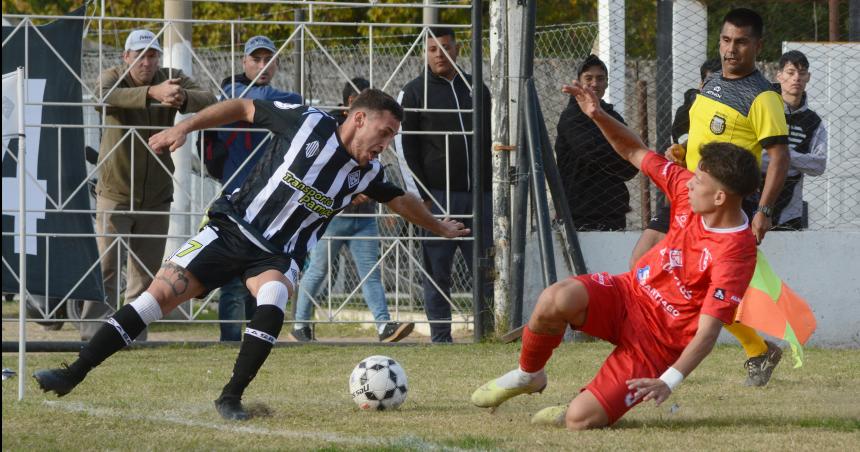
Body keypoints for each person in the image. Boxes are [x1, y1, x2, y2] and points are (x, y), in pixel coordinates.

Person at [33, 89, 469, 422]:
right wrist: (184, 128)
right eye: (385, 133)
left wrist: (439, 226)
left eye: (393, 137)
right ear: (359, 118)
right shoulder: (306, 123)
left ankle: (231, 397)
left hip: (277, 255)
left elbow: (399, 198)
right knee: (153, 300)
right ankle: (73, 373)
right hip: (230, 229)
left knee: (274, 298)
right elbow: (243, 107)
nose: (387, 144)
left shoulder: (366, 172)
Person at [471, 79, 759, 430]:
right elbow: (633, 152)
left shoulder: (736, 254)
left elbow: (709, 331)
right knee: (555, 297)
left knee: (579, 422)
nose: (689, 183)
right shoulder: (687, 191)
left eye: (700, 182)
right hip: (627, 295)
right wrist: (597, 115)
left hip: (657, 343)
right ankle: (528, 374)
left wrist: (668, 380)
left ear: (719, 199)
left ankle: (581, 403)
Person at [628, 8, 790, 387]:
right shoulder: (712, 81)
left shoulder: (764, 98)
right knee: (642, 262)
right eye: (726, 40)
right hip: (689, 191)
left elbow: (780, 158)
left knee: (697, 287)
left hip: (721, 204)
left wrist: (764, 211)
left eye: (742, 42)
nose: (731, 49)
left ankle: (655, 355)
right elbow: (701, 138)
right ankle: (756, 348)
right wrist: (681, 153)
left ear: (758, 45)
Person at [76, 29, 216, 341]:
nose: (146, 61)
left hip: (156, 194)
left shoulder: (172, 78)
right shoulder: (113, 76)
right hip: (115, 190)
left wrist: (181, 97)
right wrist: (153, 93)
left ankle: (131, 333)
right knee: (105, 265)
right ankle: (92, 333)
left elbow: (210, 98)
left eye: (152, 54)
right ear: (126, 57)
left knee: (145, 270)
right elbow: (102, 96)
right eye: (139, 55)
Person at [289, 77, 415, 343]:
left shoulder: (378, 130)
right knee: (317, 270)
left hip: (364, 218)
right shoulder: (331, 129)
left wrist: (367, 192)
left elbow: (373, 173)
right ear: (352, 106)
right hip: (333, 217)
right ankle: (300, 324)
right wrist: (349, 193)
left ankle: (383, 326)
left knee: (370, 271)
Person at [394, 26, 492, 343]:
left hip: (479, 196)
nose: (439, 54)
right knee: (437, 271)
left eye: (445, 47)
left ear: (457, 49)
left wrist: (490, 189)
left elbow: (491, 139)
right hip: (437, 196)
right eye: (433, 49)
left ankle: (488, 330)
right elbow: (406, 149)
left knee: (484, 266)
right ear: (426, 52)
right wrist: (421, 196)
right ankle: (440, 336)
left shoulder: (477, 88)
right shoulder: (413, 92)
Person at [215, 35, 303, 342]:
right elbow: (245, 97)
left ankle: (258, 335)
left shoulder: (285, 100)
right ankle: (229, 339)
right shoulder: (230, 92)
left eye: (269, 59)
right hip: (237, 194)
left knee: (264, 270)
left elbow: (292, 102)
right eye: (256, 59)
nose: (263, 65)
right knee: (231, 276)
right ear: (244, 62)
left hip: (270, 199)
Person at [629, 57, 721, 268]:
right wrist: (676, 153)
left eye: (720, 83)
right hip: (683, 193)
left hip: (715, 202)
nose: (715, 89)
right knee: (640, 260)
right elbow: (679, 145)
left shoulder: (737, 111)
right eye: (710, 82)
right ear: (701, 85)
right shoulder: (689, 109)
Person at [554, 54, 638, 231]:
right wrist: (621, 152)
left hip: (613, 210)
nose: (595, 83)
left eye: (600, 79)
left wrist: (626, 155)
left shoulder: (613, 117)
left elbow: (633, 162)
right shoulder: (571, 117)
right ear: (578, 82)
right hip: (578, 211)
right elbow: (592, 152)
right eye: (588, 78)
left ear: (606, 83)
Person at [762, 50, 827, 230]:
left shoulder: (814, 122)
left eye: (802, 73)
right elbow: (755, 157)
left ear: (808, 77)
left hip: (790, 212)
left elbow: (819, 165)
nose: (796, 78)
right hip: (753, 203)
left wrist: (782, 155)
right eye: (791, 72)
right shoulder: (763, 109)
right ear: (779, 75)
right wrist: (799, 160)